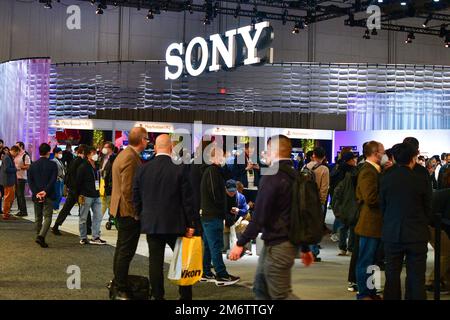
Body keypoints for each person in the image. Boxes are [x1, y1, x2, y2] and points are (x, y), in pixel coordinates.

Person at [229, 135, 314, 300]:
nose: (265, 154)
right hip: (281, 244)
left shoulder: (272, 176)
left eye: (267, 150)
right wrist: (304, 247)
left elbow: (260, 215)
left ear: (274, 151)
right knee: (261, 289)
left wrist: (240, 243)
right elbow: (301, 214)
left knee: (280, 295)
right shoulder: (296, 175)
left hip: (278, 245)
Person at [133, 134, 200, 300]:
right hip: (176, 223)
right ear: (171, 148)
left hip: (152, 223)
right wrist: (192, 223)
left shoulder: (143, 168)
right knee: (182, 260)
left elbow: (136, 196)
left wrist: (140, 214)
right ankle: (185, 296)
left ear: (155, 148)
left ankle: (158, 295)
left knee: (155, 263)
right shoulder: (180, 168)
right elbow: (188, 199)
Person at [380, 142, 433, 300]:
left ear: (394, 158)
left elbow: (382, 205)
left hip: (392, 232)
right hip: (417, 234)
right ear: (412, 158)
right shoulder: (421, 177)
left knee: (392, 275)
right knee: (417, 277)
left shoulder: (386, 177)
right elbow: (428, 206)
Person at [110, 127, 148, 300]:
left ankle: (118, 282)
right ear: (141, 140)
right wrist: (135, 213)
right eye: (146, 139)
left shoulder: (125, 154)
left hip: (120, 209)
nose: (148, 142)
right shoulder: (131, 158)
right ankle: (120, 287)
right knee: (126, 251)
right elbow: (128, 190)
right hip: (127, 212)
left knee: (121, 249)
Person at [200, 145, 240, 286]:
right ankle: (221, 275)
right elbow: (215, 193)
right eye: (223, 155)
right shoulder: (212, 171)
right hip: (212, 215)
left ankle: (206, 272)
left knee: (210, 245)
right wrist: (221, 209)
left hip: (209, 214)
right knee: (216, 245)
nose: (225, 158)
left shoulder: (212, 171)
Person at [354, 140, 385, 300]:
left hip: (374, 224)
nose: (384, 154)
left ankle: (370, 291)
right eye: (382, 151)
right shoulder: (368, 171)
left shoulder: (375, 170)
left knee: (371, 261)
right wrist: (387, 197)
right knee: (365, 260)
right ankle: (364, 293)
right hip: (369, 224)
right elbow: (370, 198)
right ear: (375, 153)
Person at [52, 144, 87, 235]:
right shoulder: (81, 162)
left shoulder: (73, 161)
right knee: (84, 208)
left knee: (67, 208)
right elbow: (79, 177)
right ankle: (88, 228)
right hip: (78, 190)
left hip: (73, 189)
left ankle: (56, 225)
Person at [28, 143, 58, 248]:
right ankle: (41, 236)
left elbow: (30, 181)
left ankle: (38, 235)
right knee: (48, 216)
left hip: (37, 195)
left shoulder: (32, 165)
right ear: (48, 152)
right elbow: (53, 180)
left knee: (38, 216)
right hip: (48, 194)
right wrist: (45, 191)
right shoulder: (53, 165)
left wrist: (37, 192)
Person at [76, 146, 106, 245]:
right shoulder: (83, 166)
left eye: (95, 153)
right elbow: (78, 182)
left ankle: (95, 237)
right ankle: (83, 237)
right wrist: (80, 194)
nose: (95, 155)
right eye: (93, 153)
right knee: (83, 217)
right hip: (86, 195)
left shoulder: (96, 165)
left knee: (98, 215)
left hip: (96, 194)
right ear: (88, 155)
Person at [306, 146, 330, 262]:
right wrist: (322, 201)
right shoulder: (324, 169)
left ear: (313, 155)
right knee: (316, 227)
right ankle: (313, 252)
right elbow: (324, 188)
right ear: (324, 157)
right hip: (317, 201)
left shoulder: (306, 166)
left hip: (306, 201)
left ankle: (306, 251)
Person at [332, 151, 358, 256]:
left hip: (340, 202)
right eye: (353, 159)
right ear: (350, 160)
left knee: (343, 226)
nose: (355, 160)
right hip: (351, 201)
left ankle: (342, 248)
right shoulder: (353, 172)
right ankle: (350, 248)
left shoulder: (337, 170)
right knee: (352, 226)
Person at [223, 179, 249, 254]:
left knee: (246, 223)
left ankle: (245, 247)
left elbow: (245, 210)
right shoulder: (221, 197)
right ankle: (222, 247)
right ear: (225, 189)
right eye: (229, 191)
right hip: (225, 219)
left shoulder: (241, 197)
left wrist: (238, 211)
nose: (232, 193)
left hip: (236, 220)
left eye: (233, 191)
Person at [0, 146, 19, 220]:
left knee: (10, 197)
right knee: (7, 198)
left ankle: (6, 212)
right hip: (8, 181)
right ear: (14, 151)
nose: (17, 154)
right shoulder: (7, 157)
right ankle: (5, 213)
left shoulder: (8, 156)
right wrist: (16, 169)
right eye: (17, 153)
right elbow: (6, 169)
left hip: (9, 180)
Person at [14, 141, 31, 217]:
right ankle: (21, 210)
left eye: (17, 146)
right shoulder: (16, 155)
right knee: (18, 195)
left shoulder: (25, 155)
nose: (15, 147)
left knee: (20, 195)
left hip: (21, 177)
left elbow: (28, 166)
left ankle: (24, 211)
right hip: (15, 177)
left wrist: (19, 168)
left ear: (21, 146)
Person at [100, 141, 116, 216]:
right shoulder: (103, 158)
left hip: (109, 184)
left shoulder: (114, 158)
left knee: (106, 203)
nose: (104, 149)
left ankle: (98, 219)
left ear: (111, 149)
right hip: (102, 182)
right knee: (105, 202)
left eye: (106, 147)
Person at [52, 147, 66, 214]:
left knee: (60, 195)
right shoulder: (53, 161)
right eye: (59, 153)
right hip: (57, 179)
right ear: (55, 153)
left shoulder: (60, 161)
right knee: (58, 194)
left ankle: (56, 207)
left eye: (61, 153)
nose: (61, 154)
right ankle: (54, 207)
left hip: (61, 179)